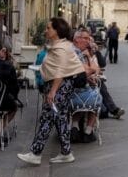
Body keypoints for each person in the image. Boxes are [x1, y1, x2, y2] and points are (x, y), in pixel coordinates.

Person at [17, 17, 85, 166]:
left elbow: (60, 71)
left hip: (60, 86)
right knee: (59, 118)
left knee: (47, 118)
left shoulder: (61, 48)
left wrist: (53, 91)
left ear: (57, 31)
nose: (46, 30)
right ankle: (66, 153)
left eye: (49, 28)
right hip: (60, 85)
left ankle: (35, 153)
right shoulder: (59, 45)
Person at [69, 29, 104, 142]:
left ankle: (75, 127)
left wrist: (89, 56)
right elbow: (91, 69)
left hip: (72, 94)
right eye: (86, 38)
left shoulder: (81, 51)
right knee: (97, 97)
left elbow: (94, 70)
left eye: (89, 39)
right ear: (76, 39)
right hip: (74, 96)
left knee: (85, 95)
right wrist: (88, 74)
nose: (88, 41)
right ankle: (88, 131)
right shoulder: (75, 52)